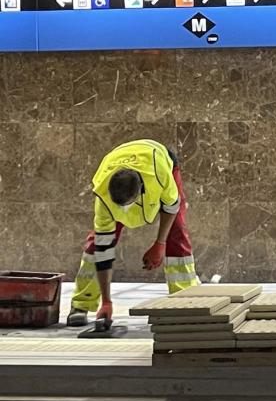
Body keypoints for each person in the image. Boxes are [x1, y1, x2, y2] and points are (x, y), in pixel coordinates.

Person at [66, 139, 200, 327]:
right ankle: (82, 302)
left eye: (128, 206)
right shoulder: (103, 194)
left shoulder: (160, 176)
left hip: (159, 159)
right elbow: (103, 249)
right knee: (96, 243)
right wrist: (106, 302)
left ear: (141, 192)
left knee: (176, 232)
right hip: (121, 159)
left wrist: (159, 244)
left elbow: (171, 208)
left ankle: (185, 301)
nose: (126, 212)